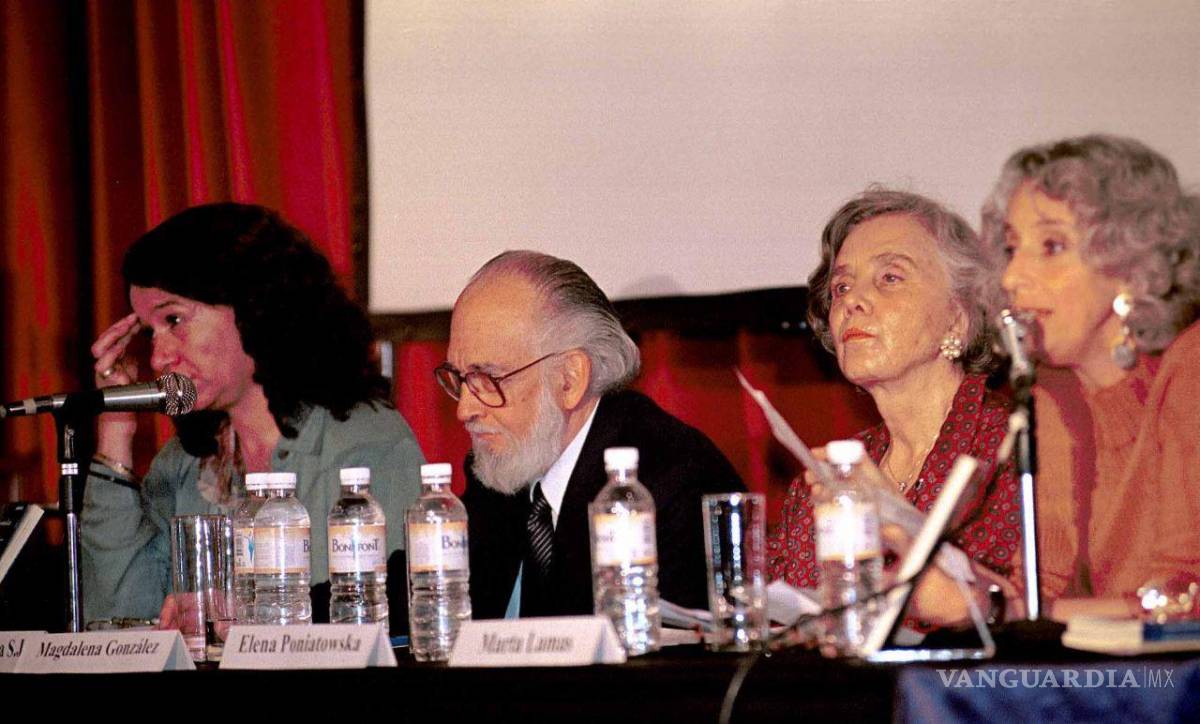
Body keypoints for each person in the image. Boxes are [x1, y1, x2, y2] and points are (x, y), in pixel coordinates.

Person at [81, 203, 425, 628]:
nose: (158, 357)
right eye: (151, 333)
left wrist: (236, 619)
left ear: (250, 305)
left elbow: (369, 624)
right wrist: (116, 426)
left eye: (174, 320)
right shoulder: (183, 463)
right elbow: (118, 619)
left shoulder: (366, 442)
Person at [437, 250, 744, 618]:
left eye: (488, 379)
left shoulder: (668, 484)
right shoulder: (505, 467)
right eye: (460, 378)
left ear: (570, 379)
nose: (465, 409)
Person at [766, 189, 1022, 627]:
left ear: (957, 317)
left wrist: (897, 518)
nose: (852, 301)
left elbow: (1030, 612)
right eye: (842, 287)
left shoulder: (1011, 452)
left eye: (890, 278)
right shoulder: (825, 480)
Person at [981, 134, 1200, 620]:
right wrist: (978, 597)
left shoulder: (1192, 367)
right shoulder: (1051, 393)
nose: (1012, 277)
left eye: (1052, 246)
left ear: (1132, 266)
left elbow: (1185, 597)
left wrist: (999, 611)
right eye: (1012, 248)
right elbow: (1045, 588)